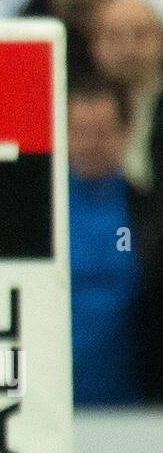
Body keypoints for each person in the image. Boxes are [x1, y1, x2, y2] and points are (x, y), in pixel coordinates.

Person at [66, 75, 163, 402]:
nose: (91, 143)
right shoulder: (35, 217)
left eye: (103, 132)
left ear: (126, 133)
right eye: (80, 132)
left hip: (136, 409)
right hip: (53, 407)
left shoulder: (151, 215)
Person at [89, 0, 163, 187]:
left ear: (160, 41)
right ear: (94, 45)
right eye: (114, 36)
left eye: (140, 35)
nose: (128, 49)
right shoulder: (73, 108)